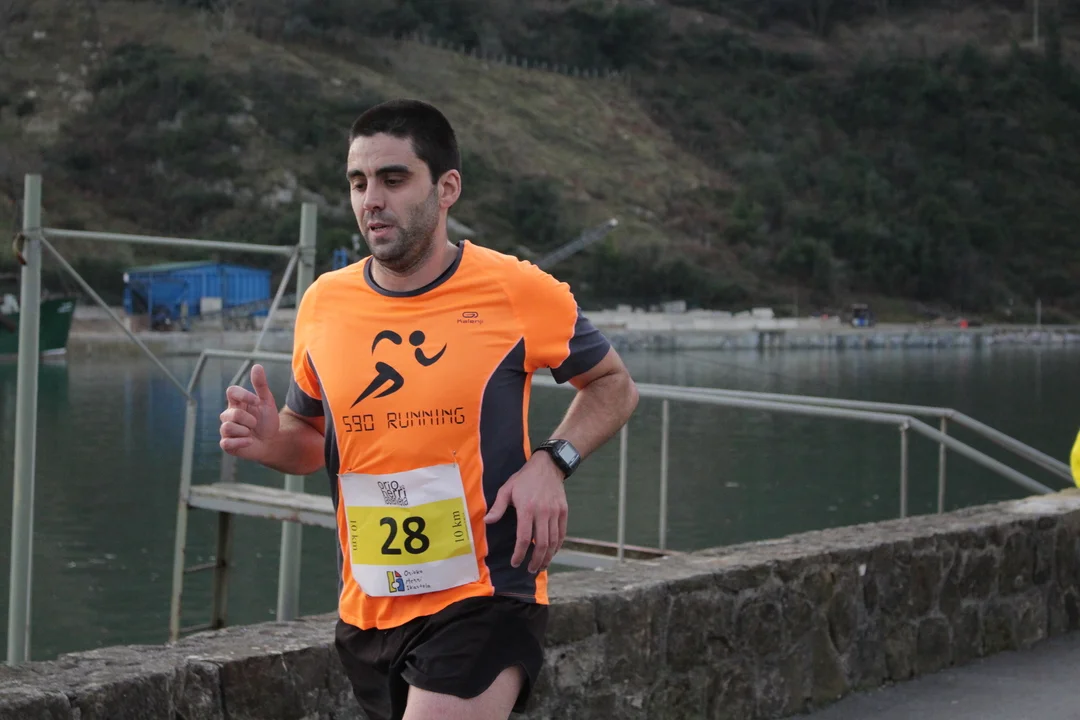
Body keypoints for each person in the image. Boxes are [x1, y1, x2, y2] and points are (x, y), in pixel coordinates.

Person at [218, 98, 639, 720]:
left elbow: (612, 385)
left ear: (447, 189)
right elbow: (309, 439)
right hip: (369, 606)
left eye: (393, 179)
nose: (371, 200)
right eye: (358, 182)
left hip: (486, 594)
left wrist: (553, 461)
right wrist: (266, 440)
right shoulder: (324, 303)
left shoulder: (514, 289)